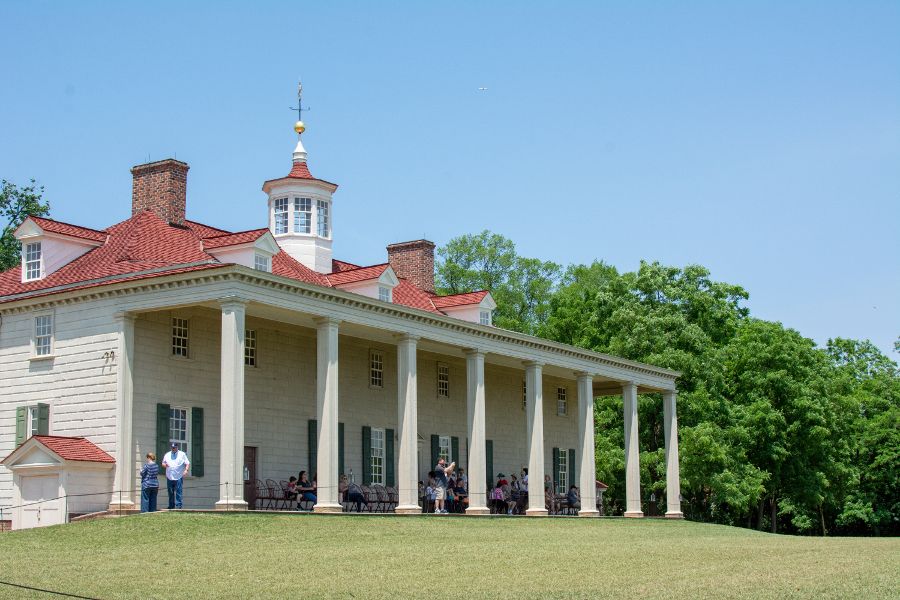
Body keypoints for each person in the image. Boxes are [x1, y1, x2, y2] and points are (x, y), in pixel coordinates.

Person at [161, 442, 189, 509]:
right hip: (169, 476)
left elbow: (187, 463)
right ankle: (171, 506)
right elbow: (163, 463)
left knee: (179, 491)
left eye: (174, 447)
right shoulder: (167, 454)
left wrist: (186, 470)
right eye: (172, 448)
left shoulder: (182, 454)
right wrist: (165, 465)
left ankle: (178, 506)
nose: (173, 449)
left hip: (178, 476)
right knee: (170, 492)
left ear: (177, 447)